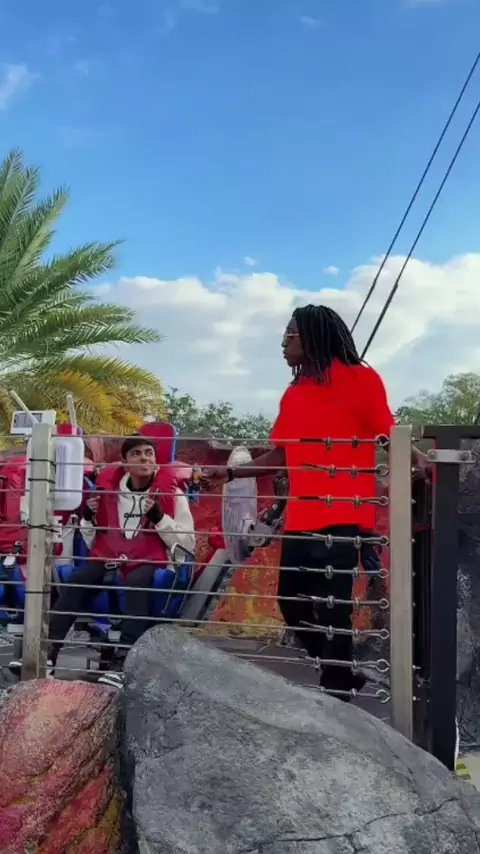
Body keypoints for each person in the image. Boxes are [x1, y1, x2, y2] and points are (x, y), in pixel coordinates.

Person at [204, 304, 426, 702]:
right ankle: (341, 671)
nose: (283, 344)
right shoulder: (294, 393)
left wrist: (420, 462)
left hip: (344, 511)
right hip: (302, 516)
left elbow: (390, 434)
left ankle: (337, 690)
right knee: (291, 603)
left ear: (311, 337)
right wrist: (232, 473)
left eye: (289, 335)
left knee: (334, 607)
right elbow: (280, 455)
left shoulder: (360, 379)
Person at [46, 436, 195, 687]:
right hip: (110, 556)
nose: (144, 458)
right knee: (79, 578)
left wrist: (160, 519)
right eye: (136, 453)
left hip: (151, 559)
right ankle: (49, 651)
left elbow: (187, 543)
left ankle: (124, 661)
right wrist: (88, 519)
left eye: (149, 453)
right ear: (124, 462)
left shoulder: (173, 494)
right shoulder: (107, 492)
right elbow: (93, 544)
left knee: (138, 580)